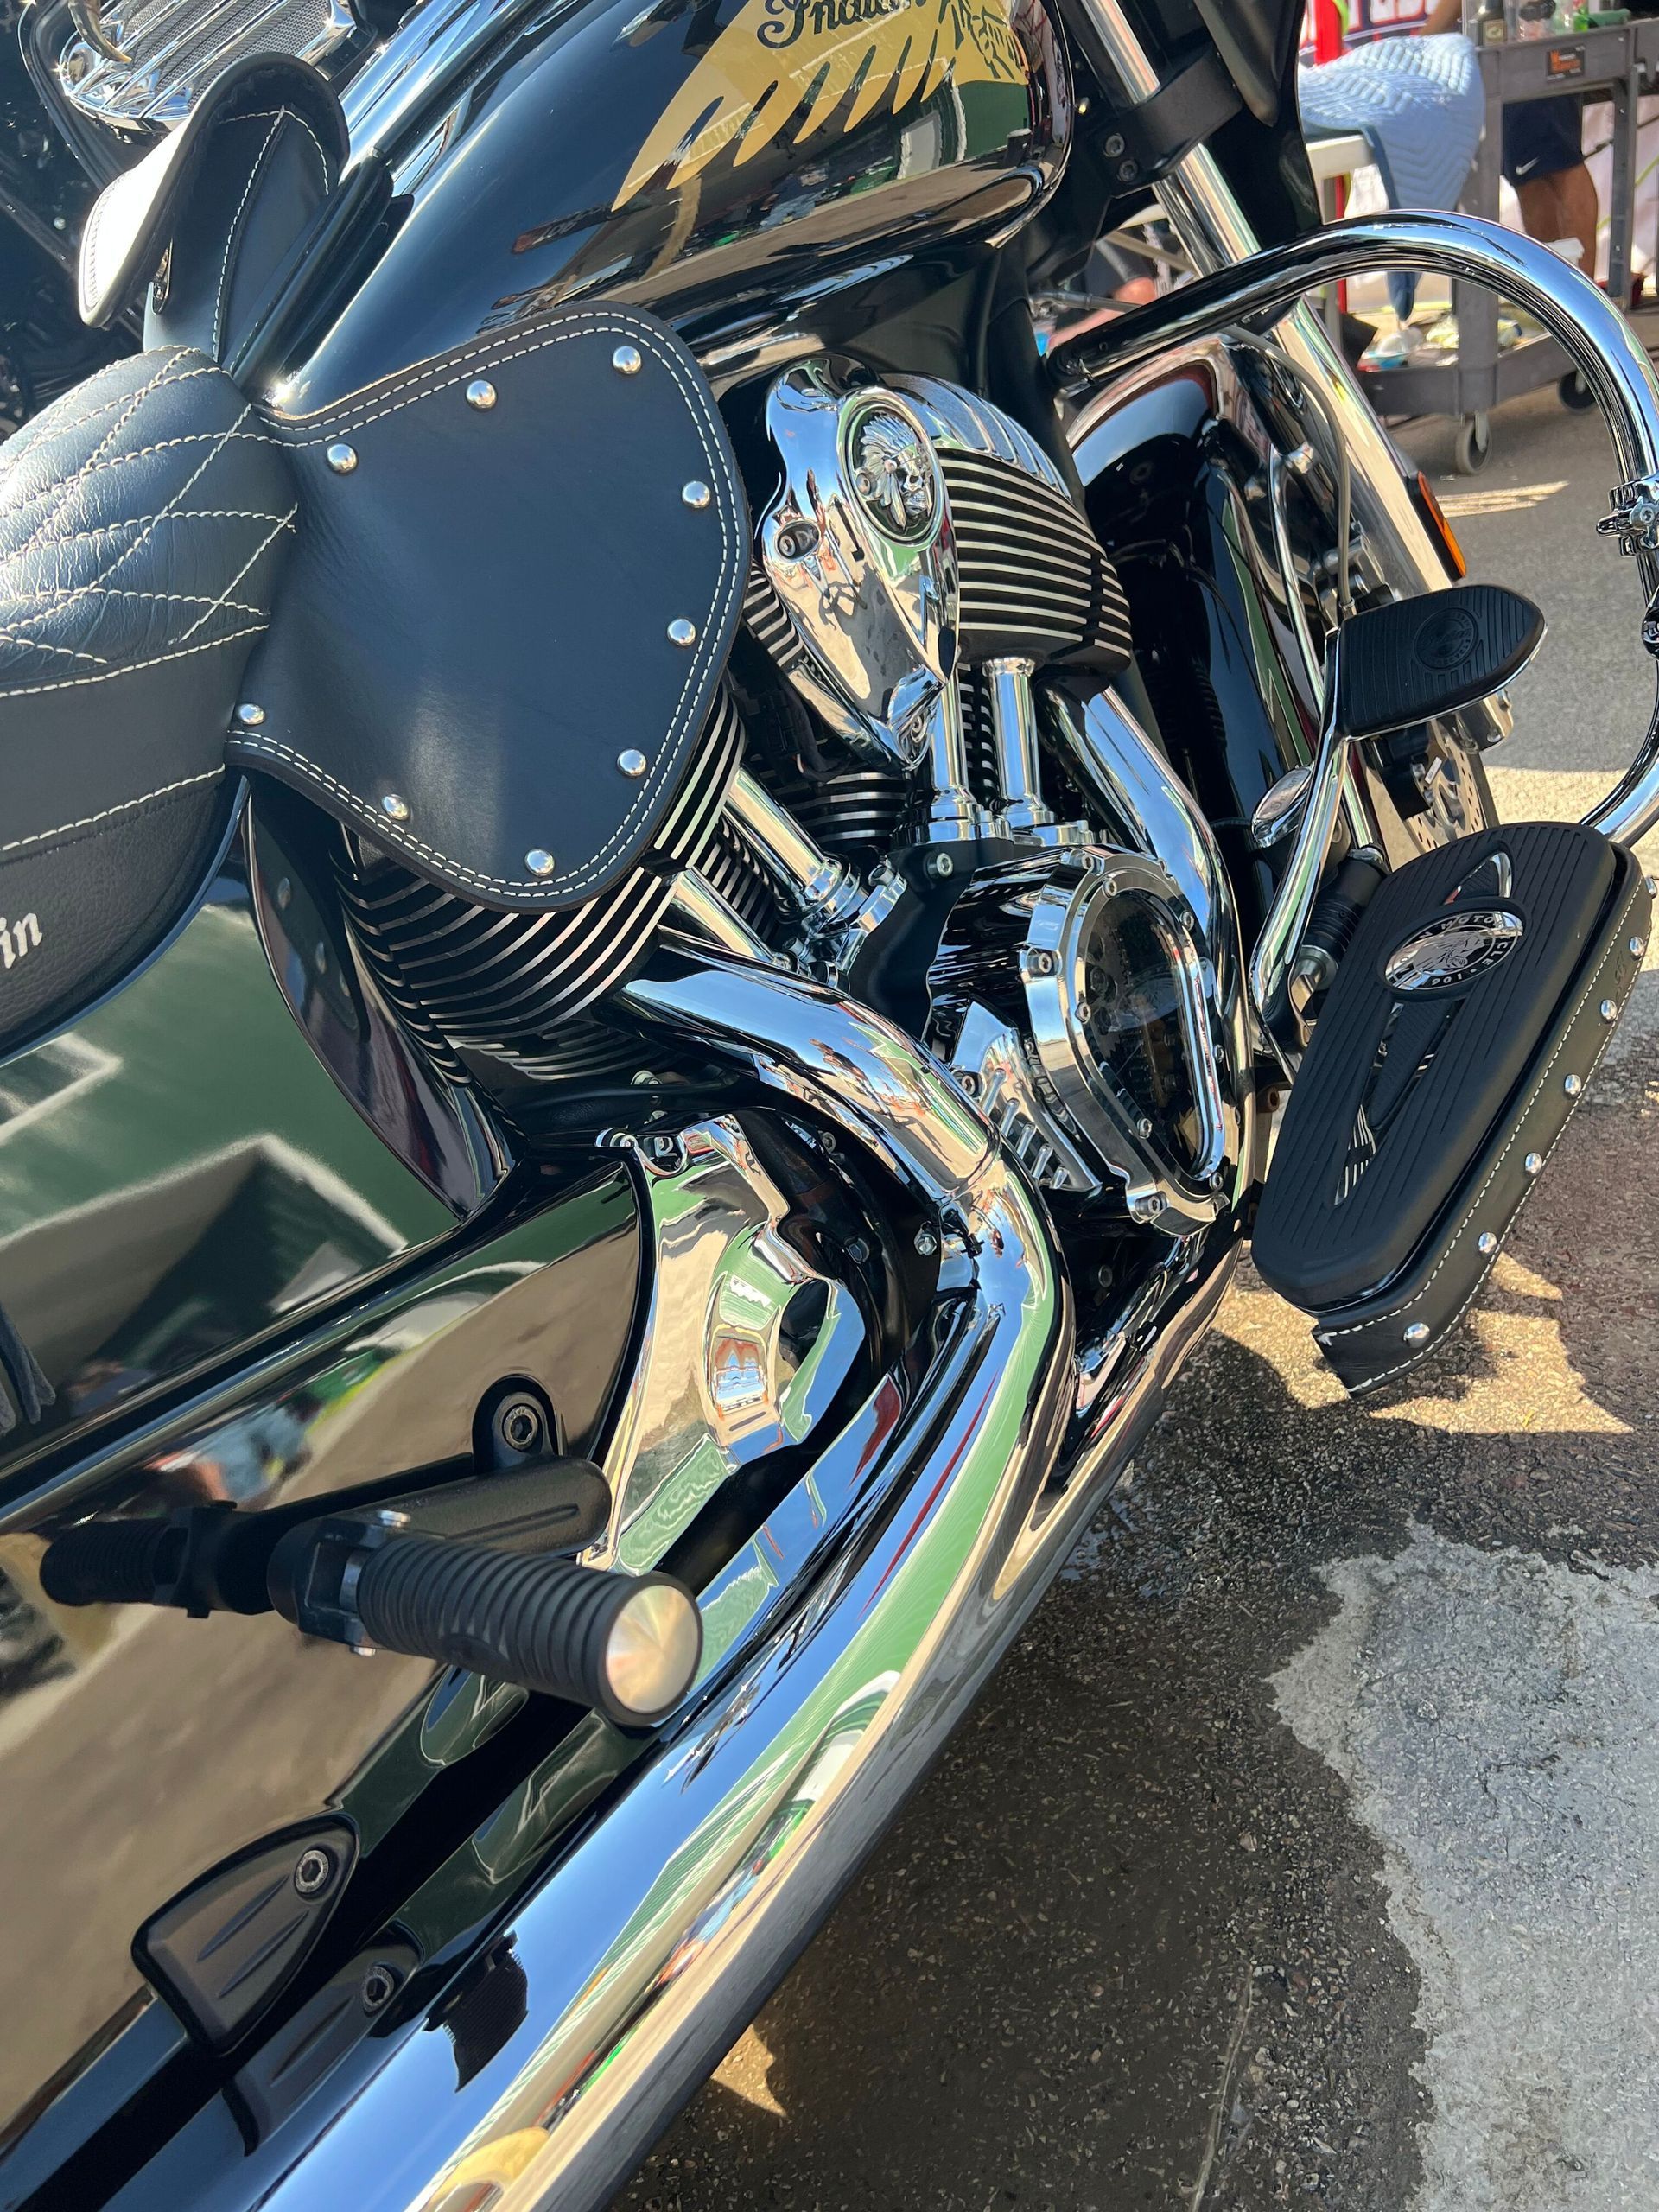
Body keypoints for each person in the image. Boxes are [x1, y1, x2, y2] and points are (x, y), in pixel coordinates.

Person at [1421, 0, 1599, 274]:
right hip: (1512, 41)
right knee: (1528, 173)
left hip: (1533, 36)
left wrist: (1424, 42)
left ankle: (1582, 305)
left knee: (1560, 164)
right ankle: (1550, 294)